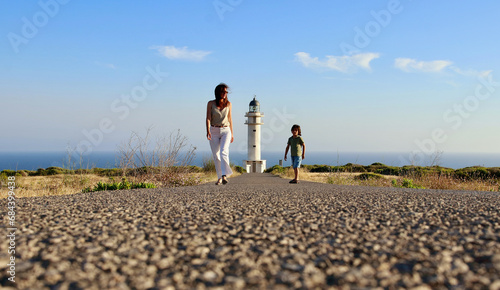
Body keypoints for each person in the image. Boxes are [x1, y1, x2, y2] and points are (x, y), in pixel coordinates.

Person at [206, 83, 234, 185]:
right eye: (223, 91)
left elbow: (230, 119)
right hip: (214, 130)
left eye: (226, 92)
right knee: (216, 155)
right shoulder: (210, 103)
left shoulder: (229, 104)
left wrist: (232, 133)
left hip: (226, 130)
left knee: (223, 152)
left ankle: (224, 175)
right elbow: (208, 117)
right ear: (218, 92)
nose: (225, 93)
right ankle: (219, 177)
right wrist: (208, 130)